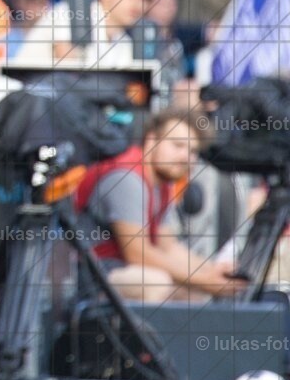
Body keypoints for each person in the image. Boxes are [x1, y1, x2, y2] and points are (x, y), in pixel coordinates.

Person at [75, 109, 246, 302]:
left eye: (192, 151)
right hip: (86, 276)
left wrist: (211, 271)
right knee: (156, 283)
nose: (185, 157)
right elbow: (138, 254)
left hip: (119, 272)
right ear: (151, 140)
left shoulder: (161, 184)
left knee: (193, 292)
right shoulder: (127, 177)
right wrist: (203, 279)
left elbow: (169, 247)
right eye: (177, 145)